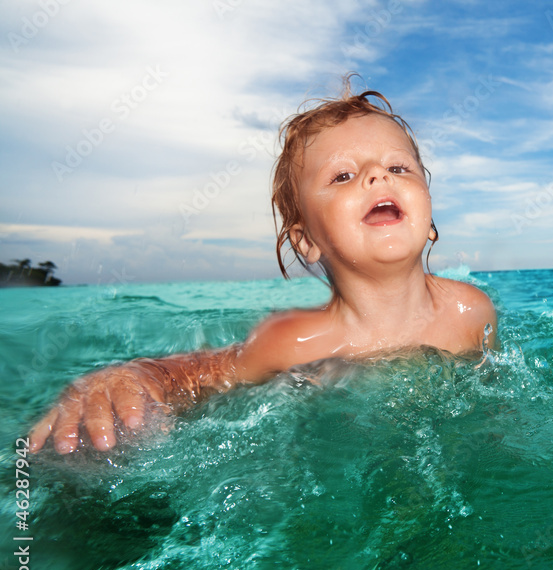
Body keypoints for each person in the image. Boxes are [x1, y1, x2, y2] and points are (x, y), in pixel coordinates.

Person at [29, 86, 497, 455]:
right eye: (343, 175)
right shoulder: (294, 341)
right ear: (306, 241)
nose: (379, 176)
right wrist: (136, 376)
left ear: (430, 221)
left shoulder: (471, 312)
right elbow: (203, 372)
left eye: (399, 167)